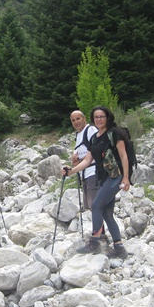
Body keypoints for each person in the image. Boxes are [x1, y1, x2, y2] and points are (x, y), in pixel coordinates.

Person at [63, 106, 129, 259]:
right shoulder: (95, 138)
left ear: (107, 117)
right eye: (96, 117)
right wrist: (71, 171)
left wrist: (125, 178)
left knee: (95, 204)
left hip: (116, 177)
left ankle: (95, 242)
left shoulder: (115, 133)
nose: (99, 119)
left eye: (102, 116)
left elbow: (123, 156)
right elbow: (87, 160)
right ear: (93, 119)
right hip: (104, 177)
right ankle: (119, 248)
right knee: (107, 213)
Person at [69, 110, 109, 242]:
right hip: (85, 174)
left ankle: (100, 235)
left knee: (95, 205)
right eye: (73, 120)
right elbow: (84, 157)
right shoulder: (79, 135)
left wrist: (78, 165)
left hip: (93, 173)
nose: (76, 122)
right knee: (91, 206)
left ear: (84, 118)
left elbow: (96, 150)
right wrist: (75, 162)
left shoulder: (90, 130)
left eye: (78, 119)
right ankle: (100, 233)